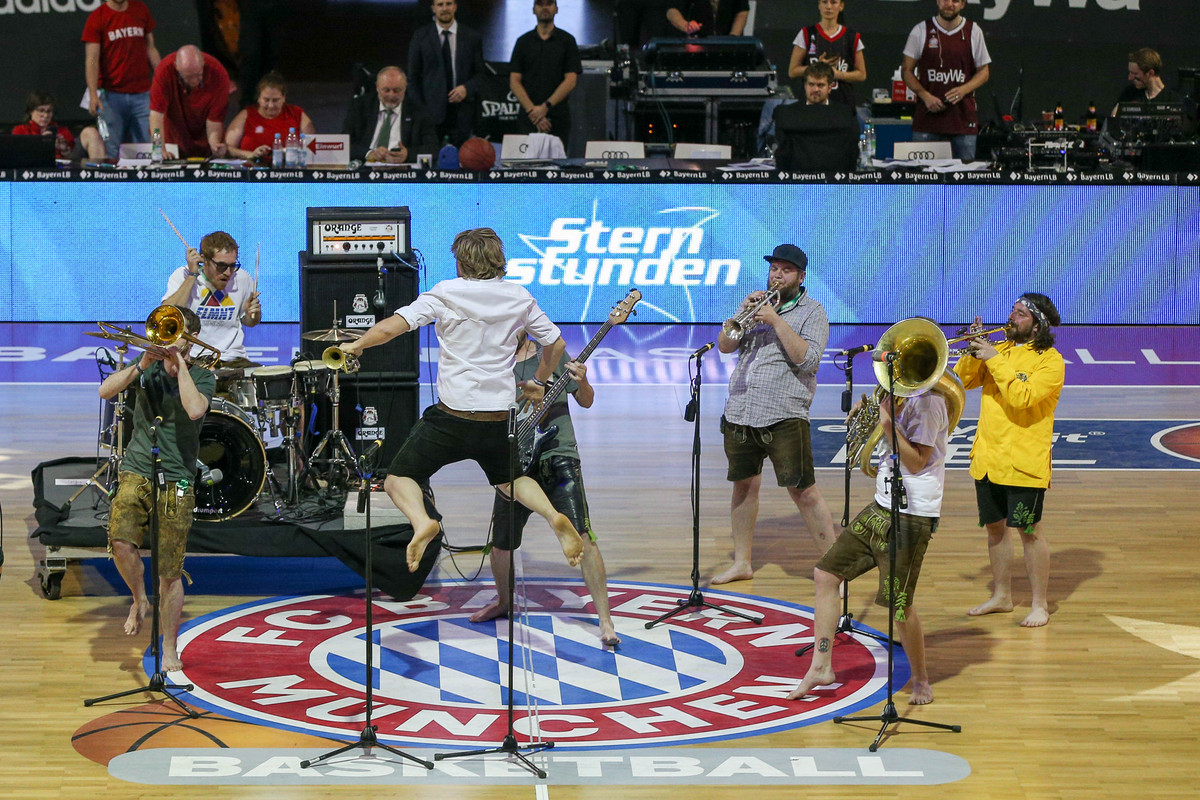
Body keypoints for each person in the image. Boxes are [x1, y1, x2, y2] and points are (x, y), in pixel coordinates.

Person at [338, 228, 585, 575]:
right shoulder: (518, 296)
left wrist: (358, 344)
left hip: (452, 416)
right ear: (499, 260)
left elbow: (395, 326)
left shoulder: (446, 293)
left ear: (460, 261)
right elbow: (555, 344)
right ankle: (552, 515)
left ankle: (423, 522)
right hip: (499, 416)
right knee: (510, 480)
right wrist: (538, 381)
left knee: (398, 478)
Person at [788, 371, 950, 705]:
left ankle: (921, 679)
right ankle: (821, 666)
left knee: (898, 605)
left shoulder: (931, 403)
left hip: (912, 517)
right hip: (880, 507)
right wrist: (869, 416)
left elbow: (917, 462)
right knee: (826, 574)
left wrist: (887, 424)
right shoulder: (898, 397)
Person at [469, 333, 619, 646]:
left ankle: (606, 621)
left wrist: (585, 381)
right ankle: (504, 602)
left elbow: (587, 400)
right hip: (513, 460)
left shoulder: (553, 355)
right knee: (501, 543)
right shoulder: (495, 365)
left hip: (558, 454)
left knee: (583, 537)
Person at [99, 306, 215, 672]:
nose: (167, 340)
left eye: (176, 335)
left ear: (190, 340)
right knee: (120, 540)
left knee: (169, 571)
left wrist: (180, 365)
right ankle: (138, 599)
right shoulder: (145, 367)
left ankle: (169, 649)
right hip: (138, 468)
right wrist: (141, 363)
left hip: (178, 477)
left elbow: (195, 410)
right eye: (166, 334)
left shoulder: (201, 375)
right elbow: (105, 391)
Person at [712, 244, 837, 585]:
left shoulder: (814, 312)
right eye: (774, 268)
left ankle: (835, 567)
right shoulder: (756, 306)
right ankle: (742, 563)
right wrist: (742, 312)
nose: (777, 275)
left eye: (786, 270)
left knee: (803, 491)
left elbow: (808, 360)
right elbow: (725, 346)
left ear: (801, 276)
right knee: (743, 486)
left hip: (784, 414)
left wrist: (776, 321)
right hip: (741, 409)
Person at [956, 294, 1064, 628]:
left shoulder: (1051, 361)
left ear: (1038, 323)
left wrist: (993, 357)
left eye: (1020, 314)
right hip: (989, 458)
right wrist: (976, 349)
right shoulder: (999, 349)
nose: (1011, 317)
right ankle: (1002, 596)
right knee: (995, 530)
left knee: (1029, 531)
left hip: (1023, 463)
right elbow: (967, 379)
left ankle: (1039, 604)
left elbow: (1022, 397)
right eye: (1012, 311)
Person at [901, 0, 991, 162]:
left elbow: (984, 71)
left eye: (955, 1)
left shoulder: (973, 31)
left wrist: (964, 89)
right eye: (944, 0)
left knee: (964, 183)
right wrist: (925, 95)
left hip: (962, 121)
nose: (949, 4)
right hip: (927, 120)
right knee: (923, 180)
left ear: (963, 4)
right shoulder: (921, 30)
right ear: (937, 1)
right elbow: (906, 70)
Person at [162, 231, 262, 378]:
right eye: (221, 266)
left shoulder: (242, 278)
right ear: (204, 260)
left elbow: (250, 322)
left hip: (234, 360)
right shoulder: (182, 275)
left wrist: (252, 313)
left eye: (232, 266)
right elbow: (167, 315)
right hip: (196, 359)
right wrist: (192, 275)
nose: (228, 272)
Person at [82, 0, 161, 159]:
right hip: (110, 96)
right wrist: (93, 94)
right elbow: (92, 59)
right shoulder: (98, 17)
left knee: (153, 146)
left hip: (143, 94)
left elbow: (150, 48)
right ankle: (111, 183)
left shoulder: (140, 9)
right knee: (110, 149)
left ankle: (154, 183)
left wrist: (162, 81)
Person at [407, 0, 486, 147]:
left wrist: (466, 89)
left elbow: (481, 75)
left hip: (462, 115)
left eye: (448, 4)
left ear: (455, 7)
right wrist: (422, 112)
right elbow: (412, 79)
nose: (445, 8)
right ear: (433, 9)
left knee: (463, 166)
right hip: (431, 117)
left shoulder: (472, 37)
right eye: (440, 4)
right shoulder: (420, 37)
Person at [509, 0, 582, 149]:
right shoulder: (522, 42)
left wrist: (545, 107)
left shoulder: (567, 41)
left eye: (549, 4)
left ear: (556, 9)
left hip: (557, 117)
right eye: (540, 4)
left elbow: (571, 80)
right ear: (533, 10)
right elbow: (514, 81)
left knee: (556, 167)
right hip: (528, 117)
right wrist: (533, 112)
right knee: (525, 170)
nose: (545, 8)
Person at [772, 62, 859, 172]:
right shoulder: (787, 113)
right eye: (811, 84)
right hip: (797, 180)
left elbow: (852, 152)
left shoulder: (844, 113)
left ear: (830, 87)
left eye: (820, 85)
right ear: (805, 86)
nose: (815, 90)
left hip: (835, 181)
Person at [343, 66, 438, 164]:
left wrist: (408, 154)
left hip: (403, 171)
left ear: (405, 88)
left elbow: (433, 148)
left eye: (397, 90)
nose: (391, 95)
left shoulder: (419, 111)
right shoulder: (359, 107)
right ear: (377, 87)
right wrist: (369, 153)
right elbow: (344, 144)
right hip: (366, 168)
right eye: (386, 90)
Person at [149, 45, 231, 158]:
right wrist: (158, 148)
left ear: (203, 64)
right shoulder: (164, 71)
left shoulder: (218, 74)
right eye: (188, 77)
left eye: (198, 75)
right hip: (173, 139)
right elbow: (156, 116)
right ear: (176, 67)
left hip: (203, 139)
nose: (194, 81)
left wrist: (215, 144)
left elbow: (214, 120)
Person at [788, 0, 866, 109]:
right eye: (824, 2)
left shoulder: (852, 37)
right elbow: (792, 71)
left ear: (841, 6)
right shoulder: (806, 33)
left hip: (843, 103)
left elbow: (862, 74)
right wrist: (818, 67)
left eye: (833, 2)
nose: (828, 7)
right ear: (819, 5)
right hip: (810, 104)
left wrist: (838, 74)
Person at [224, 71, 316, 161]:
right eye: (266, 100)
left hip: (288, 169)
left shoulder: (296, 113)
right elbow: (227, 149)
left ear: (284, 98)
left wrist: (291, 152)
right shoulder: (246, 114)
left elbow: (313, 147)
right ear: (259, 98)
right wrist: (250, 154)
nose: (271, 105)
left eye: (275, 100)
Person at [12, 92, 106, 161]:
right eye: (41, 111)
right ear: (31, 111)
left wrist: (64, 150)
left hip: (65, 167)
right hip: (32, 169)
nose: (45, 115)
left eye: (49, 111)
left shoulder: (62, 131)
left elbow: (73, 159)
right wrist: (43, 144)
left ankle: (101, 177)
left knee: (90, 132)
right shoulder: (20, 130)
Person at [666, 0, 749, 37]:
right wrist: (684, 25)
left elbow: (742, 11)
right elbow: (672, 10)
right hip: (697, 42)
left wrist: (733, 36)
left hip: (728, 44)